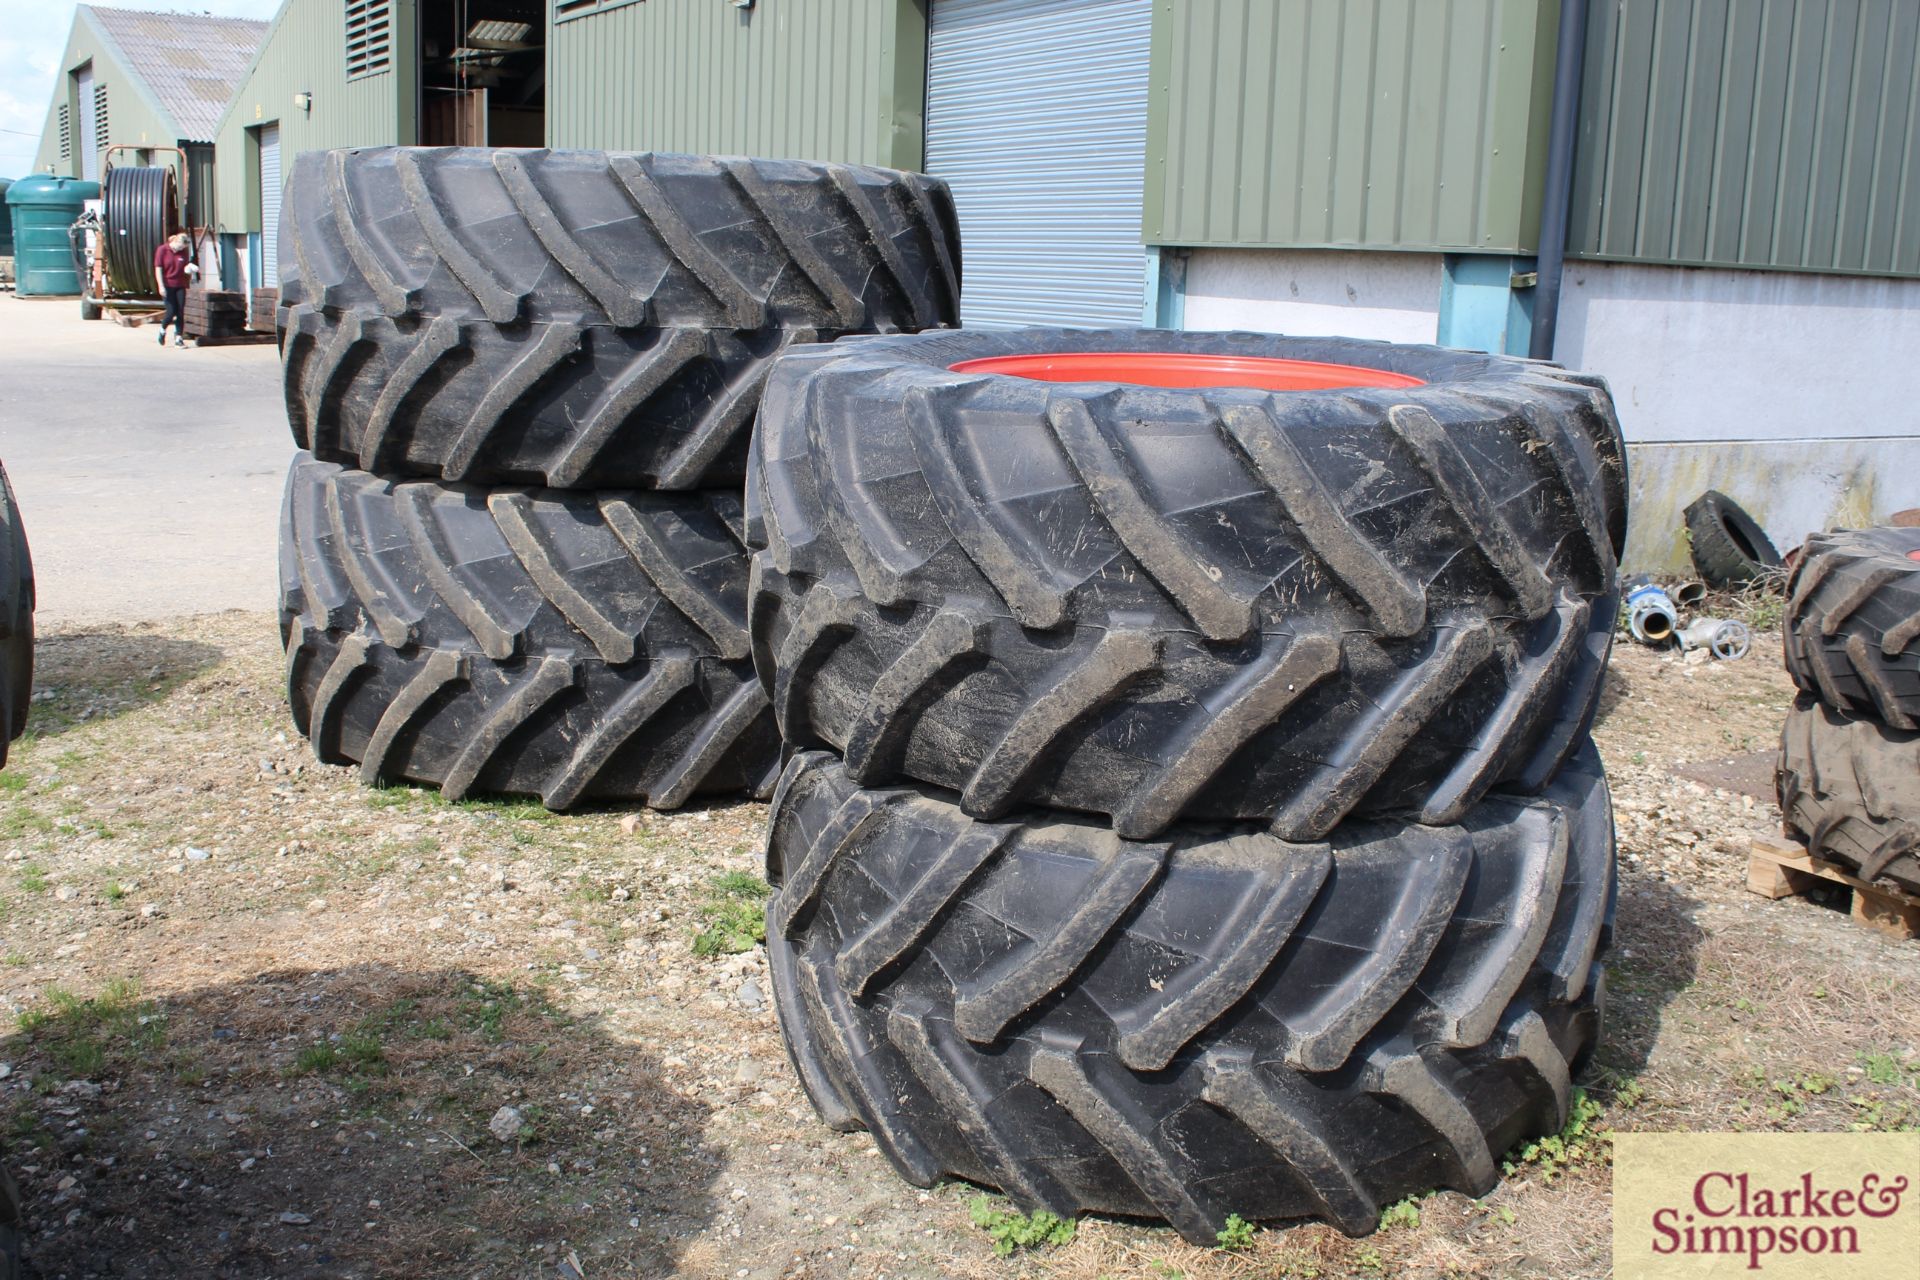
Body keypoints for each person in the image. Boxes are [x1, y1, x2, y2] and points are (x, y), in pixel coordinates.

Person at [152, 232, 197, 348]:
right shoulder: (162, 250)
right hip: (167, 285)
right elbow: (158, 269)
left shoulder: (183, 252)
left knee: (180, 311)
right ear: (175, 242)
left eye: (183, 248)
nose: (181, 249)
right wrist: (160, 286)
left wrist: (189, 269)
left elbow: (185, 266)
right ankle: (162, 330)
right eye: (180, 246)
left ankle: (178, 337)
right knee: (171, 311)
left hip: (180, 284)